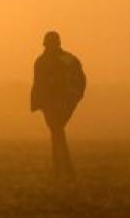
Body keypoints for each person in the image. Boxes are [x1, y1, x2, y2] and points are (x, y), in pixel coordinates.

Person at [30, 31, 87, 179]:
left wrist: (75, 96)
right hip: (55, 105)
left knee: (57, 133)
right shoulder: (61, 60)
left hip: (59, 104)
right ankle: (65, 169)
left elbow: (80, 80)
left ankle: (63, 169)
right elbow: (39, 85)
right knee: (57, 133)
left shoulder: (48, 61)